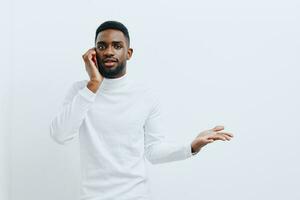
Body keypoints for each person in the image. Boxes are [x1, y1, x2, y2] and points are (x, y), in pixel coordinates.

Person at [49, 20, 234, 200]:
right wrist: (93, 84)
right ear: (93, 53)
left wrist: (191, 147)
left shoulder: (145, 96)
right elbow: (60, 135)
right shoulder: (81, 91)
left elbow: (153, 152)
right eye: (102, 46)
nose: (109, 51)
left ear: (128, 53)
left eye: (117, 46)